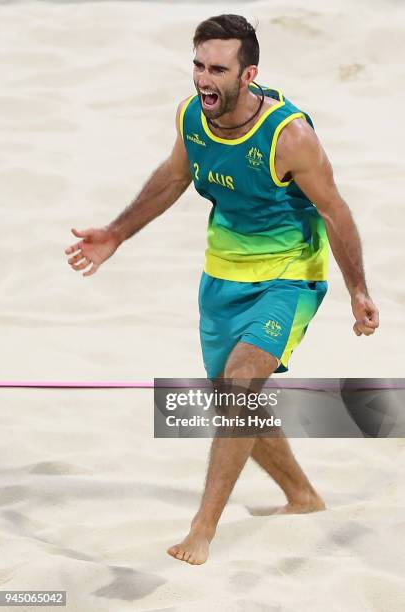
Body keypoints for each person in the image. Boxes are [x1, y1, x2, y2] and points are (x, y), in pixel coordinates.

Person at [65, 14, 379, 565]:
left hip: (289, 276)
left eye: (217, 69)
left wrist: (358, 290)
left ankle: (202, 529)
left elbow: (335, 210)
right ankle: (301, 497)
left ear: (248, 73)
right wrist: (115, 233)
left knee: (239, 384)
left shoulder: (290, 136)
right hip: (222, 276)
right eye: (198, 65)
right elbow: (173, 177)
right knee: (235, 402)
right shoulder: (192, 116)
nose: (203, 79)